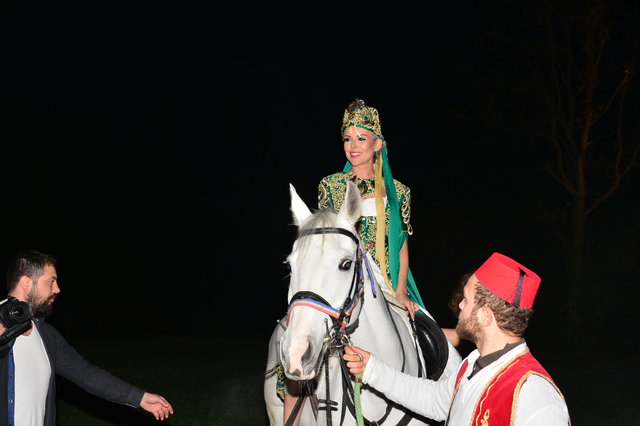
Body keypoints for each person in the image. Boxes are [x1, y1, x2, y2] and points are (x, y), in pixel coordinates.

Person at [343, 252, 570, 425]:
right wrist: (371, 368)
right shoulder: (472, 363)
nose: (460, 305)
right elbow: (434, 400)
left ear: (485, 316)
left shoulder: (534, 395)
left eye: (467, 299)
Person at [0, 250, 174, 425]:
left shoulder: (47, 336)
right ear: (26, 283)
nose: (57, 289)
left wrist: (139, 397)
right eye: (51, 281)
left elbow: (86, 374)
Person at [317, 98, 423, 317]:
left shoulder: (400, 192)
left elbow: (401, 247)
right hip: (344, 284)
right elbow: (324, 244)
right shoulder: (330, 186)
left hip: (388, 286)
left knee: (426, 330)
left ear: (378, 144)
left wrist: (401, 292)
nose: (353, 146)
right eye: (348, 139)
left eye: (361, 138)